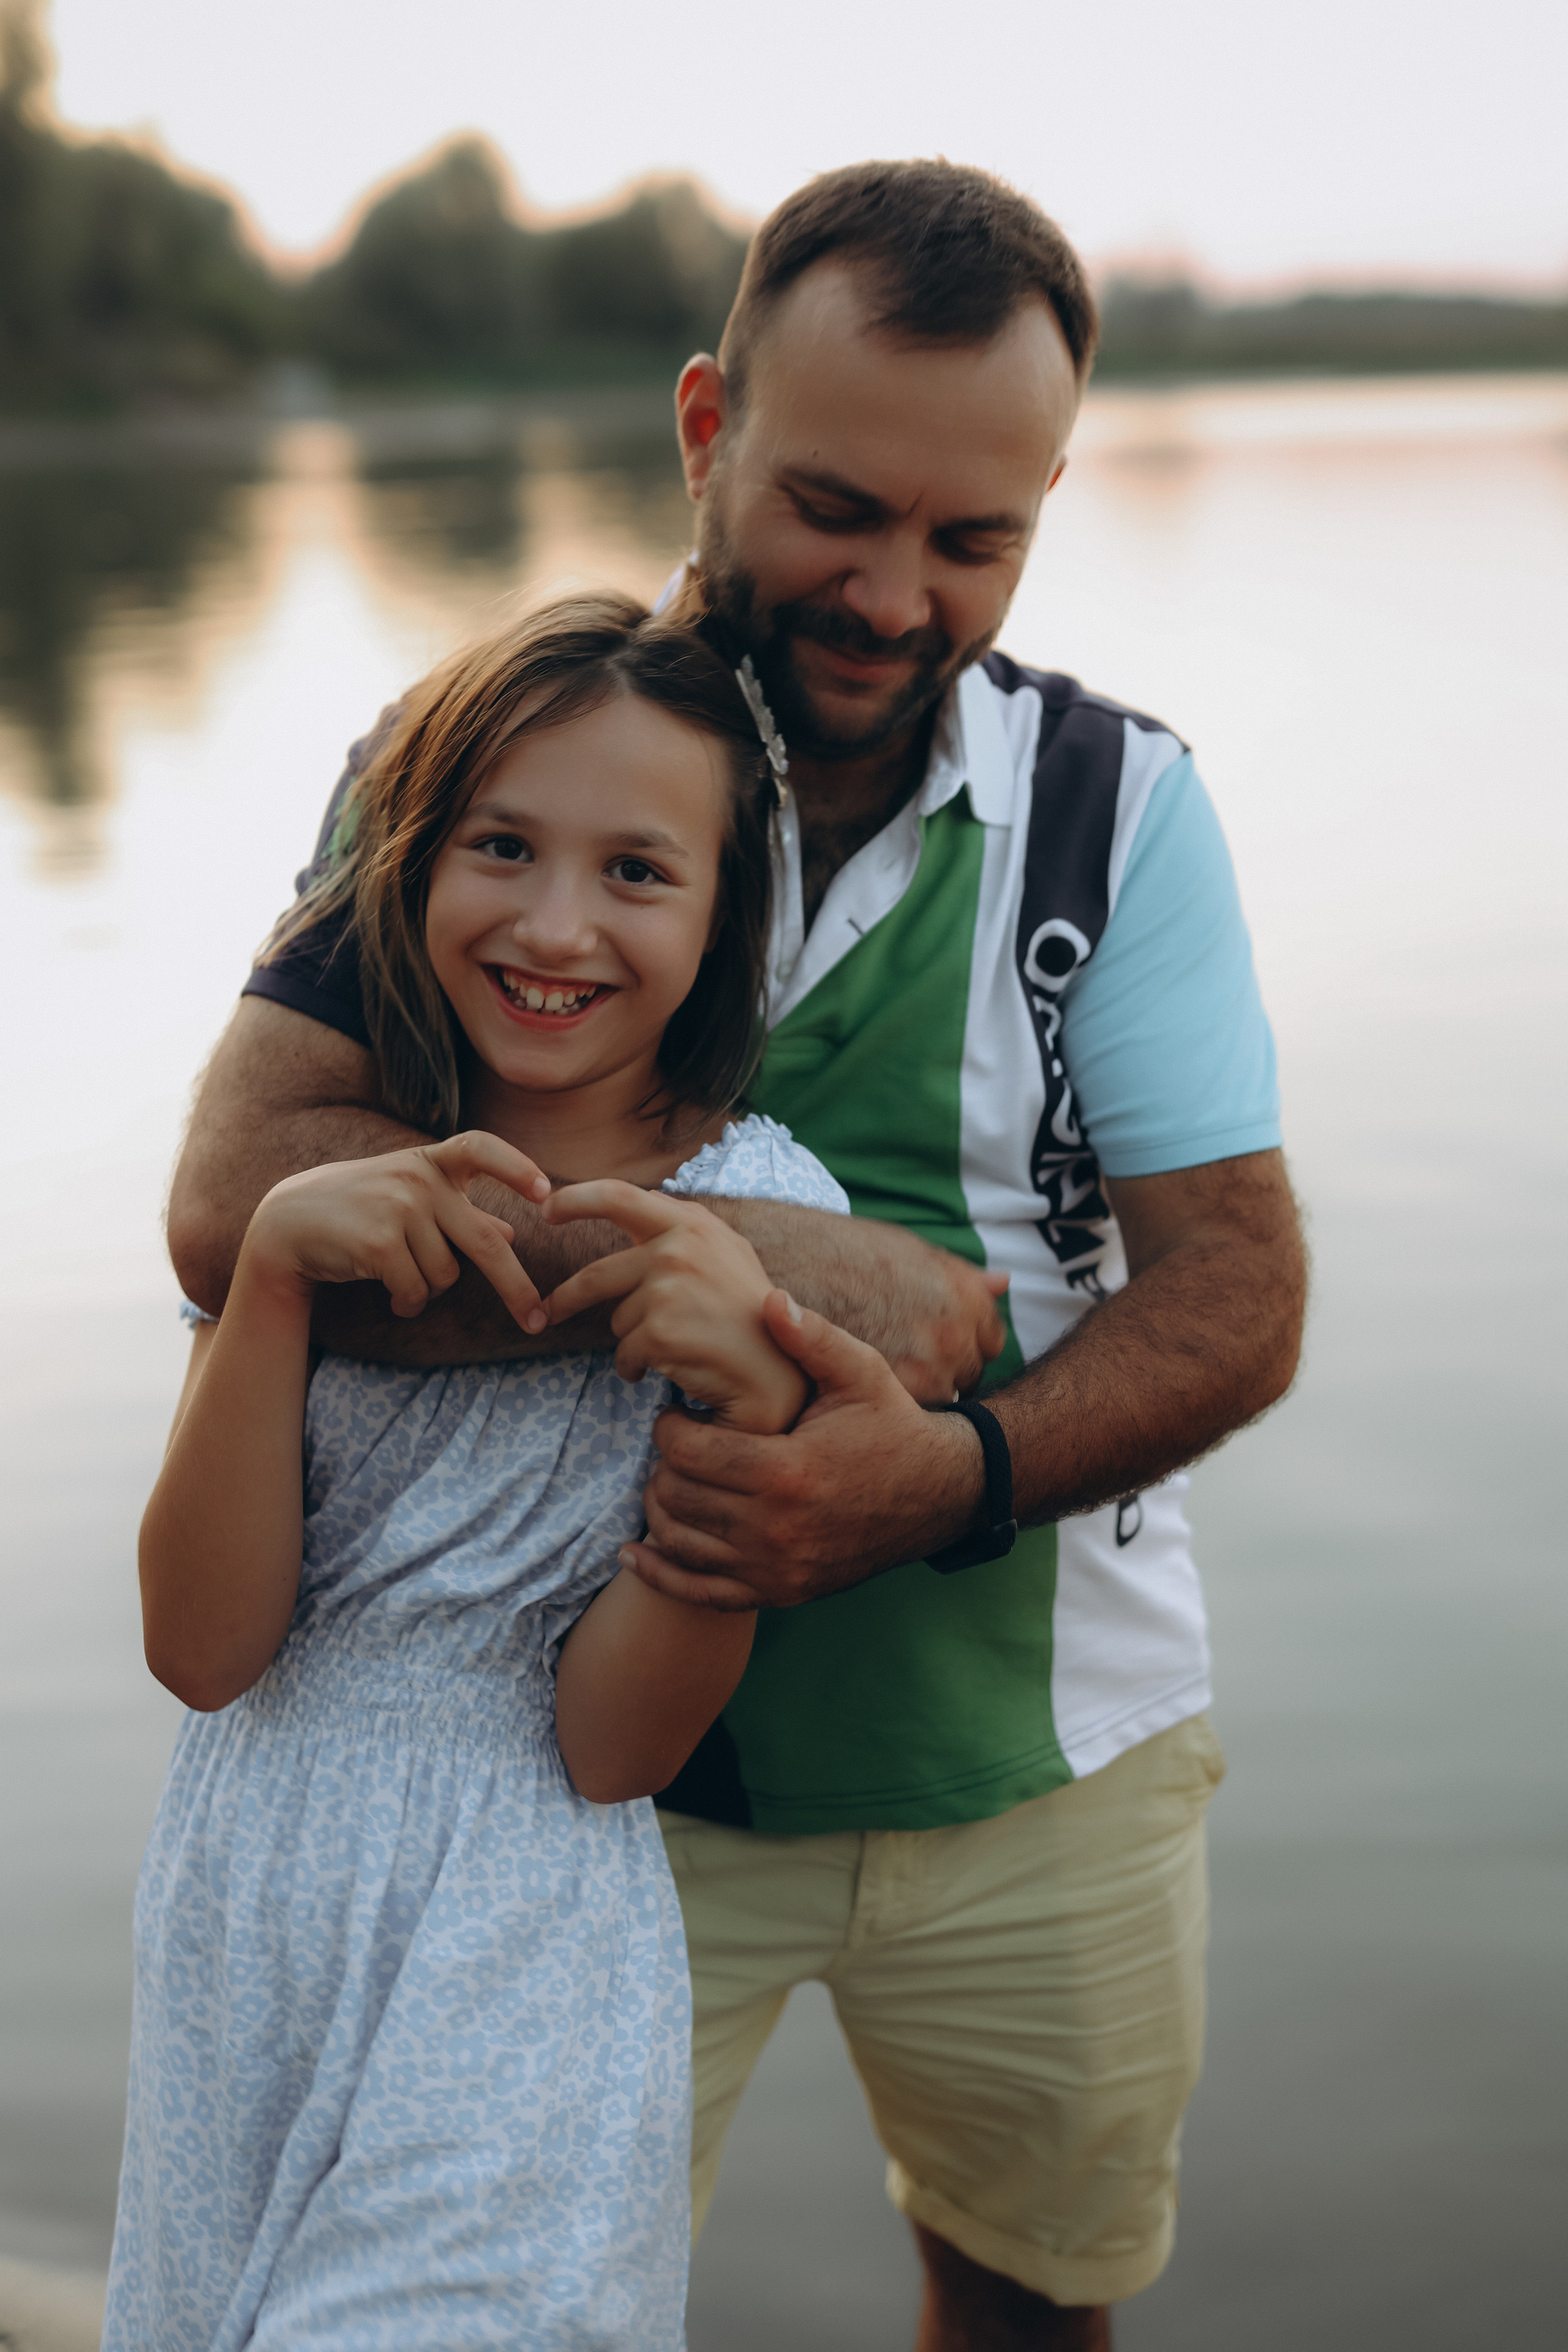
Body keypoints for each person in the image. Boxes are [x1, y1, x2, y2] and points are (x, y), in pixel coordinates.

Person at [168, 162, 1307, 2350]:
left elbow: (1235, 1292)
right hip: (552, 1786)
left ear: (1047, 503)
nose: (894, 595)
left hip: (1042, 1761)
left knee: (1029, 2302)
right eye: (836, 509)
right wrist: (818, 1286)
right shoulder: (493, 760)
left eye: (975, 540)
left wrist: (944, 1472)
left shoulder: (1125, 811)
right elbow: (248, 1199)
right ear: (705, 429)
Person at [102, 594, 858, 2351]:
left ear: (725, 911)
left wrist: (742, 1414)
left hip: (523, 1921)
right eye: (502, 848)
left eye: (636, 872)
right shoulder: (320, 1189)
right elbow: (205, 1650)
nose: (555, 923)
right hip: (247, 1895)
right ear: (413, 867)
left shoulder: (770, 1218)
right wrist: (274, 1281)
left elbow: (615, 1751)